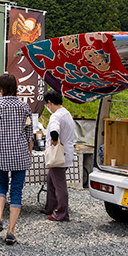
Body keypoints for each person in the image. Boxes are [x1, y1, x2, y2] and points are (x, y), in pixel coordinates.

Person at [0, 73, 33, 246]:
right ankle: (11, 231)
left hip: (2, 154)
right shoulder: (24, 107)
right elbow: (29, 134)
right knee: (17, 191)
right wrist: (29, 153)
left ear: (1, 89)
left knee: (2, 185)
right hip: (20, 154)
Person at [41, 89, 75, 222]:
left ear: (49, 102)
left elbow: (54, 131)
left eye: (46, 104)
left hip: (59, 155)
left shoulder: (56, 116)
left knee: (59, 184)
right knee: (51, 180)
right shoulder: (66, 113)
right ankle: (50, 206)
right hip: (66, 152)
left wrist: (54, 141)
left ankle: (61, 213)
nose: (47, 107)